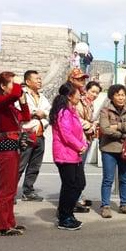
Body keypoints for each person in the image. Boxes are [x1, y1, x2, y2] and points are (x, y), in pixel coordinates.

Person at [0, 71, 31, 236]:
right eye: (11, 83)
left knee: (11, 189)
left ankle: (9, 222)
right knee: (6, 190)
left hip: (11, 148)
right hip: (5, 149)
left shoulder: (9, 106)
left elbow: (25, 116)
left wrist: (23, 101)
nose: (15, 86)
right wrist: (19, 85)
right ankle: (1, 225)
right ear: (2, 86)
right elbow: (13, 94)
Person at [50, 83, 87, 231]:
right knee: (70, 185)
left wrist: (82, 143)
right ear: (70, 96)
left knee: (78, 183)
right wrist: (80, 145)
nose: (80, 95)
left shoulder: (71, 111)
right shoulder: (64, 112)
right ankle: (65, 217)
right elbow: (66, 135)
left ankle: (66, 213)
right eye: (78, 93)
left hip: (73, 154)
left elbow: (77, 131)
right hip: (65, 155)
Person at [98, 84, 126, 218]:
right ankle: (105, 206)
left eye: (123, 95)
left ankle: (124, 204)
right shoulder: (105, 110)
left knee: (125, 179)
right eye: (118, 95)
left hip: (125, 149)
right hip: (109, 149)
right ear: (112, 96)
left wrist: (119, 126)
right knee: (108, 179)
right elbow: (105, 129)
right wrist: (121, 134)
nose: (121, 97)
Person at [17, 70, 51, 202]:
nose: (39, 81)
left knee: (35, 166)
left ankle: (28, 191)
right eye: (36, 79)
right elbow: (21, 111)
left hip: (40, 135)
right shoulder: (21, 94)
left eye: (40, 79)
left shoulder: (42, 97)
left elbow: (49, 112)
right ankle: (11, 191)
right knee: (20, 165)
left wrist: (42, 117)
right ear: (27, 81)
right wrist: (37, 112)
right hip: (26, 135)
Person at [69, 69, 97, 211]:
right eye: (79, 79)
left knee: (79, 171)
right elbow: (73, 118)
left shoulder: (84, 98)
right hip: (76, 139)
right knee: (74, 173)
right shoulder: (72, 97)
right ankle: (72, 202)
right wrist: (89, 126)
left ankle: (76, 198)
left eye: (83, 79)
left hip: (84, 138)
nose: (82, 81)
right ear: (72, 79)